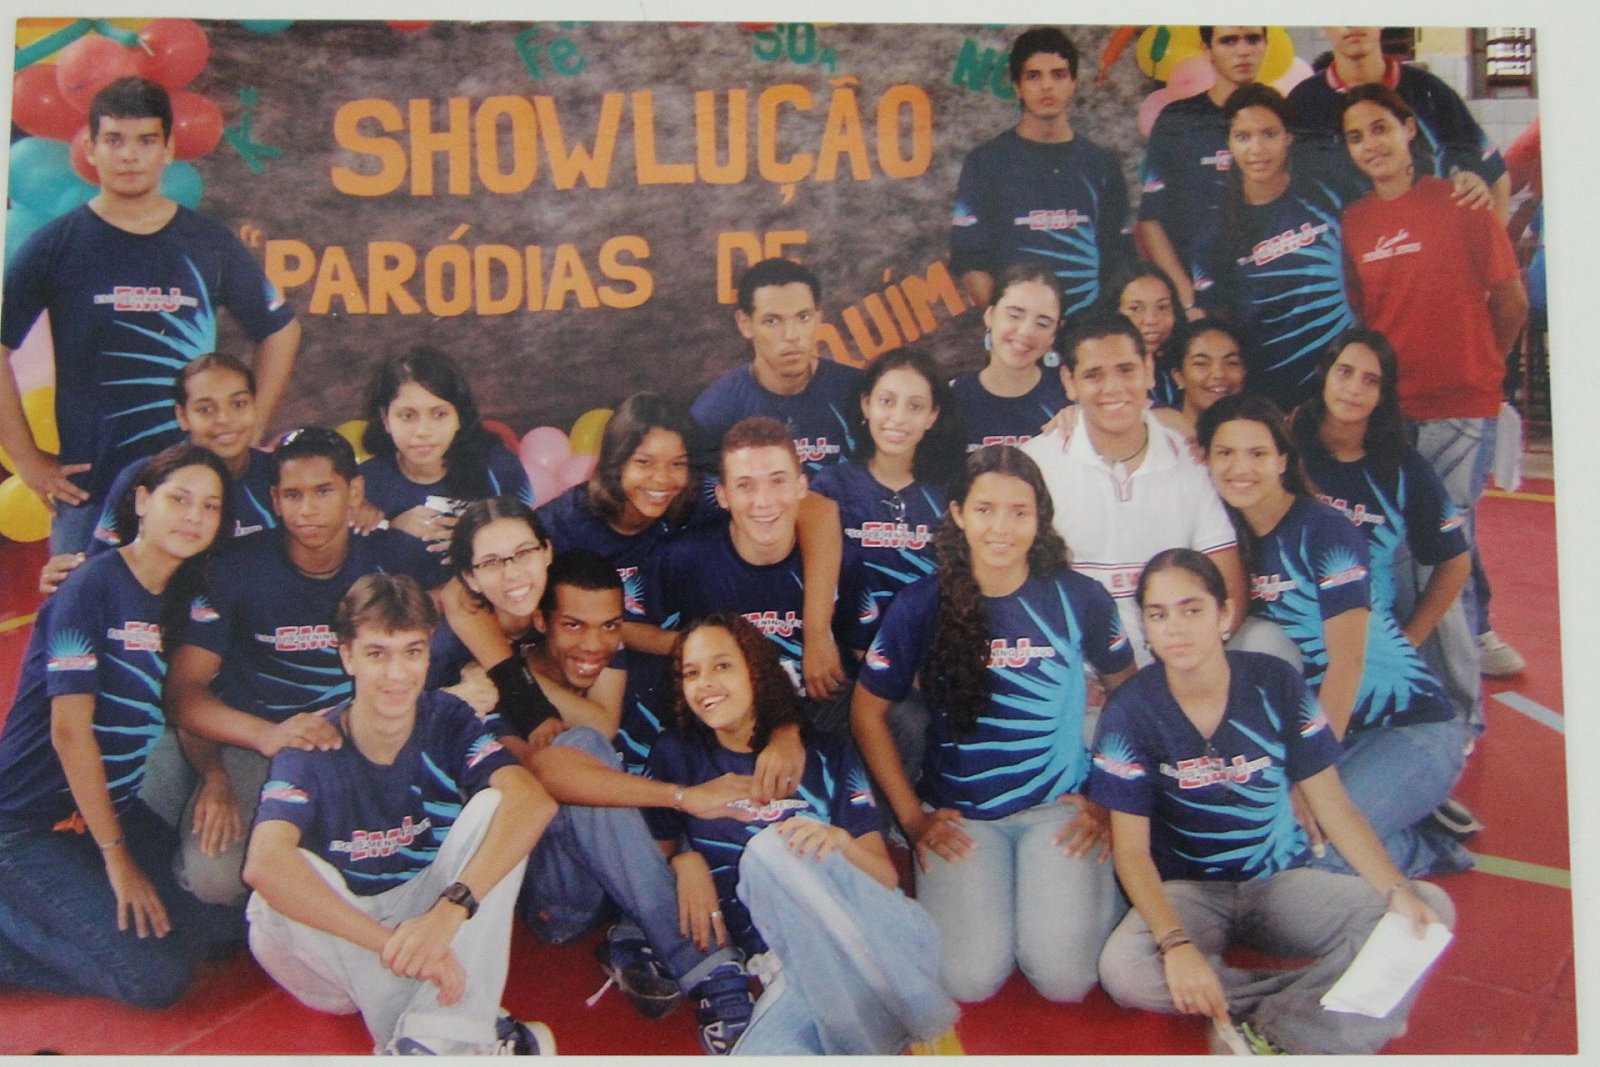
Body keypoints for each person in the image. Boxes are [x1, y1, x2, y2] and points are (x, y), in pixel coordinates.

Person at [1090, 548, 1455, 1055]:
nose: (1175, 628)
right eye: (1159, 614)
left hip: (1279, 879)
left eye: (1192, 609)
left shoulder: (1275, 683)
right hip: (1190, 891)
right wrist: (1176, 946)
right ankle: (1334, 1004)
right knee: (1125, 973)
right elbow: (1131, 852)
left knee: (1428, 909)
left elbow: (1334, 807)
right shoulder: (1130, 712)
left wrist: (1395, 888)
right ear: (1145, 627)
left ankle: (1277, 1029)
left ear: (1224, 615)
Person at [163, 427, 495, 907]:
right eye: (293, 495)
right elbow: (184, 693)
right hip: (266, 742)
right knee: (216, 879)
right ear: (274, 500)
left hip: (373, 739)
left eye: (323, 491)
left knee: (451, 842)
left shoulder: (393, 555)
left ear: (354, 491)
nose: (307, 509)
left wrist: (480, 668)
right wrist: (265, 737)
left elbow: (471, 602)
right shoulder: (236, 568)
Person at [852, 445, 1136, 1003]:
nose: (1001, 527)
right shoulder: (920, 604)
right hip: (964, 817)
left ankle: (1105, 886)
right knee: (968, 979)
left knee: (1064, 978)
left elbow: (1130, 693)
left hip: (1059, 806)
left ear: (1039, 518)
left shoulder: (1079, 597)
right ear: (959, 514)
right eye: (985, 510)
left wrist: (1109, 798)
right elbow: (866, 712)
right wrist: (913, 820)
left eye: (1018, 512)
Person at [241, 574, 556, 1055]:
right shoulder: (311, 741)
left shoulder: (446, 716)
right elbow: (263, 865)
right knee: (279, 887)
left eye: (412, 652)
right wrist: (395, 944)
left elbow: (534, 801)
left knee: (499, 806)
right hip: (335, 950)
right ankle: (461, 1025)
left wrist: (450, 911)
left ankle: (425, 1042)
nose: (397, 673)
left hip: (422, 908)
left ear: (429, 653)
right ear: (347, 656)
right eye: (377, 654)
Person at [0, 76, 300, 554]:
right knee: (83, 605)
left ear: (168, 149)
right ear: (91, 148)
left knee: (203, 605)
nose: (129, 156)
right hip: (92, 492)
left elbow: (281, 330)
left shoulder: (207, 242)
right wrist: (28, 461)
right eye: (114, 140)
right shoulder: (55, 245)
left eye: (145, 141)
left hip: (195, 495)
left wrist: (250, 430)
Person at [646, 614, 957, 1054]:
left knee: (772, 849)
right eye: (691, 673)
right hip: (788, 966)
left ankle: (897, 995)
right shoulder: (675, 756)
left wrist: (840, 842)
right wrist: (682, 860)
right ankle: (875, 1016)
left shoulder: (827, 753)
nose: (705, 684)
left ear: (756, 672)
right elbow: (649, 863)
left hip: (874, 932)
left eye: (722, 666)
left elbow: (885, 877)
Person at [0, 443, 241, 1005]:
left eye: (209, 507)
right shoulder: (93, 586)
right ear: (142, 501)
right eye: (179, 499)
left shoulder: (182, 596)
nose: (193, 517)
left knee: (219, 930)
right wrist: (117, 858)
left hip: (102, 810)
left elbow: (184, 699)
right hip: (26, 824)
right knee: (154, 980)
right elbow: (69, 732)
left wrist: (214, 776)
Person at [1199, 394, 1470, 877]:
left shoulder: (1324, 530)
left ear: (1283, 460)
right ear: (1206, 460)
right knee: (1256, 850)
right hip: (1334, 733)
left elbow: (1347, 664)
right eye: (1225, 453)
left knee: (1317, 860)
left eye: (1258, 453)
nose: (1241, 468)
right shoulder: (1226, 542)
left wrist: (1311, 778)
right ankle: (1390, 812)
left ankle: (1426, 847)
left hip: (1409, 728)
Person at [503, 551, 763, 1051]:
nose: (594, 644)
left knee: (663, 756)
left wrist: (686, 855)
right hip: (560, 897)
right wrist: (682, 800)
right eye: (573, 625)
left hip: (628, 864)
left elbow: (606, 717)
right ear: (540, 621)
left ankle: (632, 935)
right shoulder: (497, 683)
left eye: (610, 627)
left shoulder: (601, 655)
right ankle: (711, 969)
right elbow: (549, 771)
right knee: (582, 750)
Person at [1338, 84, 1531, 678]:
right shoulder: (1354, 222)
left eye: (1380, 128)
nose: (1371, 144)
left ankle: (1461, 706)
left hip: (1460, 410)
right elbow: (1368, 318)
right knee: (1398, 552)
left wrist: (1482, 371)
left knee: (1445, 553)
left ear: (1408, 131)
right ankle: (1414, 681)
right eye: (1355, 137)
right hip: (1393, 413)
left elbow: (1511, 302)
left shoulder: (1460, 202)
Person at [539, 393, 847, 763]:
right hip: (589, 659)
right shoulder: (562, 526)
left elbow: (817, 511)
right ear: (615, 461)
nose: (661, 479)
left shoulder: (695, 497)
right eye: (644, 462)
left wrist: (817, 633)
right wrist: (705, 648)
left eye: (678, 464)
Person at [1021, 312, 1246, 665]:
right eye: (1093, 375)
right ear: (1069, 381)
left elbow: (1228, 587)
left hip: (1178, 667)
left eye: (1126, 370)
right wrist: (1068, 676)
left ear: (1149, 370)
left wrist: (1189, 671)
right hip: (1075, 674)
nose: (1113, 388)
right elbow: (1010, 591)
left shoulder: (1190, 460)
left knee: (1267, 643)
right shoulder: (1033, 465)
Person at [649, 417, 860, 733]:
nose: (763, 501)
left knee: (901, 717)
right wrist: (710, 650)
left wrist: (819, 635)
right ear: (722, 495)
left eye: (777, 481)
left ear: (802, 486)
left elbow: (866, 650)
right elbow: (636, 630)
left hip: (817, 714)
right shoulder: (684, 557)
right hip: (725, 722)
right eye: (745, 485)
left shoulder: (838, 556)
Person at [38, 353, 277, 595]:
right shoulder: (144, 476)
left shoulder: (278, 474)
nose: (224, 419)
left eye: (238, 404)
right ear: (182, 416)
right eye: (205, 409)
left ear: (255, 406)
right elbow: (101, 570)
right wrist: (70, 576)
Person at [1192, 83, 1354, 412]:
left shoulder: (1329, 194)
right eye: (1243, 137)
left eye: (1269, 134)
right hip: (1272, 400)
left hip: (1345, 387)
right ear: (1228, 144)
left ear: (1288, 137)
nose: (1257, 149)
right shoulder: (1214, 235)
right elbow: (1222, 331)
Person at [949, 27, 1132, 314]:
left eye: (1058, 75)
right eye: (1033, 76)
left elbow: (1120, 259)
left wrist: (1100, 329)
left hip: (1089, 331)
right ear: (1017, 86)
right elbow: (971, 262)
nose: (1047, 86)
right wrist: (1013, 325)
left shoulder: (1101, 164)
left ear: (1073, 83)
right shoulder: (986, 163)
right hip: (1017, 333)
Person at [811, 347, 963, 650]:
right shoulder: (830, 488)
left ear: (932, 416)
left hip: (930, 658)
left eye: (915, 406)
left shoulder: (954, 492)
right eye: (887, 401)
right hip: (844, 659)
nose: (899, 418)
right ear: (866, 404)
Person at [1288, 26, 1508, 218]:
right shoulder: (1302, 103)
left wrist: (1493, 247)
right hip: (1342, 248)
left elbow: (1497, 177)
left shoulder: (1429, 91)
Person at [1137, 26, 1271, 315]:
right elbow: (1150, 218)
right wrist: (1186, 298)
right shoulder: (1179, 120)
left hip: (1270, 296)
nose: (1243, 51)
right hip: (1200, 303)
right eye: (1228, 41)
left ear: (1266, 45)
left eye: (1253, 39)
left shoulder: (1281, 117)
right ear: (1207, 50)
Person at [690, 258, 862, 478]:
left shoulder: (858, 393)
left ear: (818, 318)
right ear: (745, 323)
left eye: (803, 317)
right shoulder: (714, 414)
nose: (791, 335)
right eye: (772, 321)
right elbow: (706, 496)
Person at [354, 346, 534, 549]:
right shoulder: (363, 484)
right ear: (385, 419)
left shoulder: (499, 467)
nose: (423, 431)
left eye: (439, 414)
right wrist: (392, 527)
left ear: (459, 417)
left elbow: (530, 543)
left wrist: (476, 538)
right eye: (407, 416)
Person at [947, 262, 1067, 452]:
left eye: (1043, 323)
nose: (1026, 331)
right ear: (990, 315)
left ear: (1054, 334)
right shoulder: (950, 399)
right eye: (1014, 315)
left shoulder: (1070, 400)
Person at [1166, 322, 1247, 447]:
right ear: (1179, 377)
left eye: (1231, 363)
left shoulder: (1261, 436)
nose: (1219, 374)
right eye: (1201, 363)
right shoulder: (1156, 436)